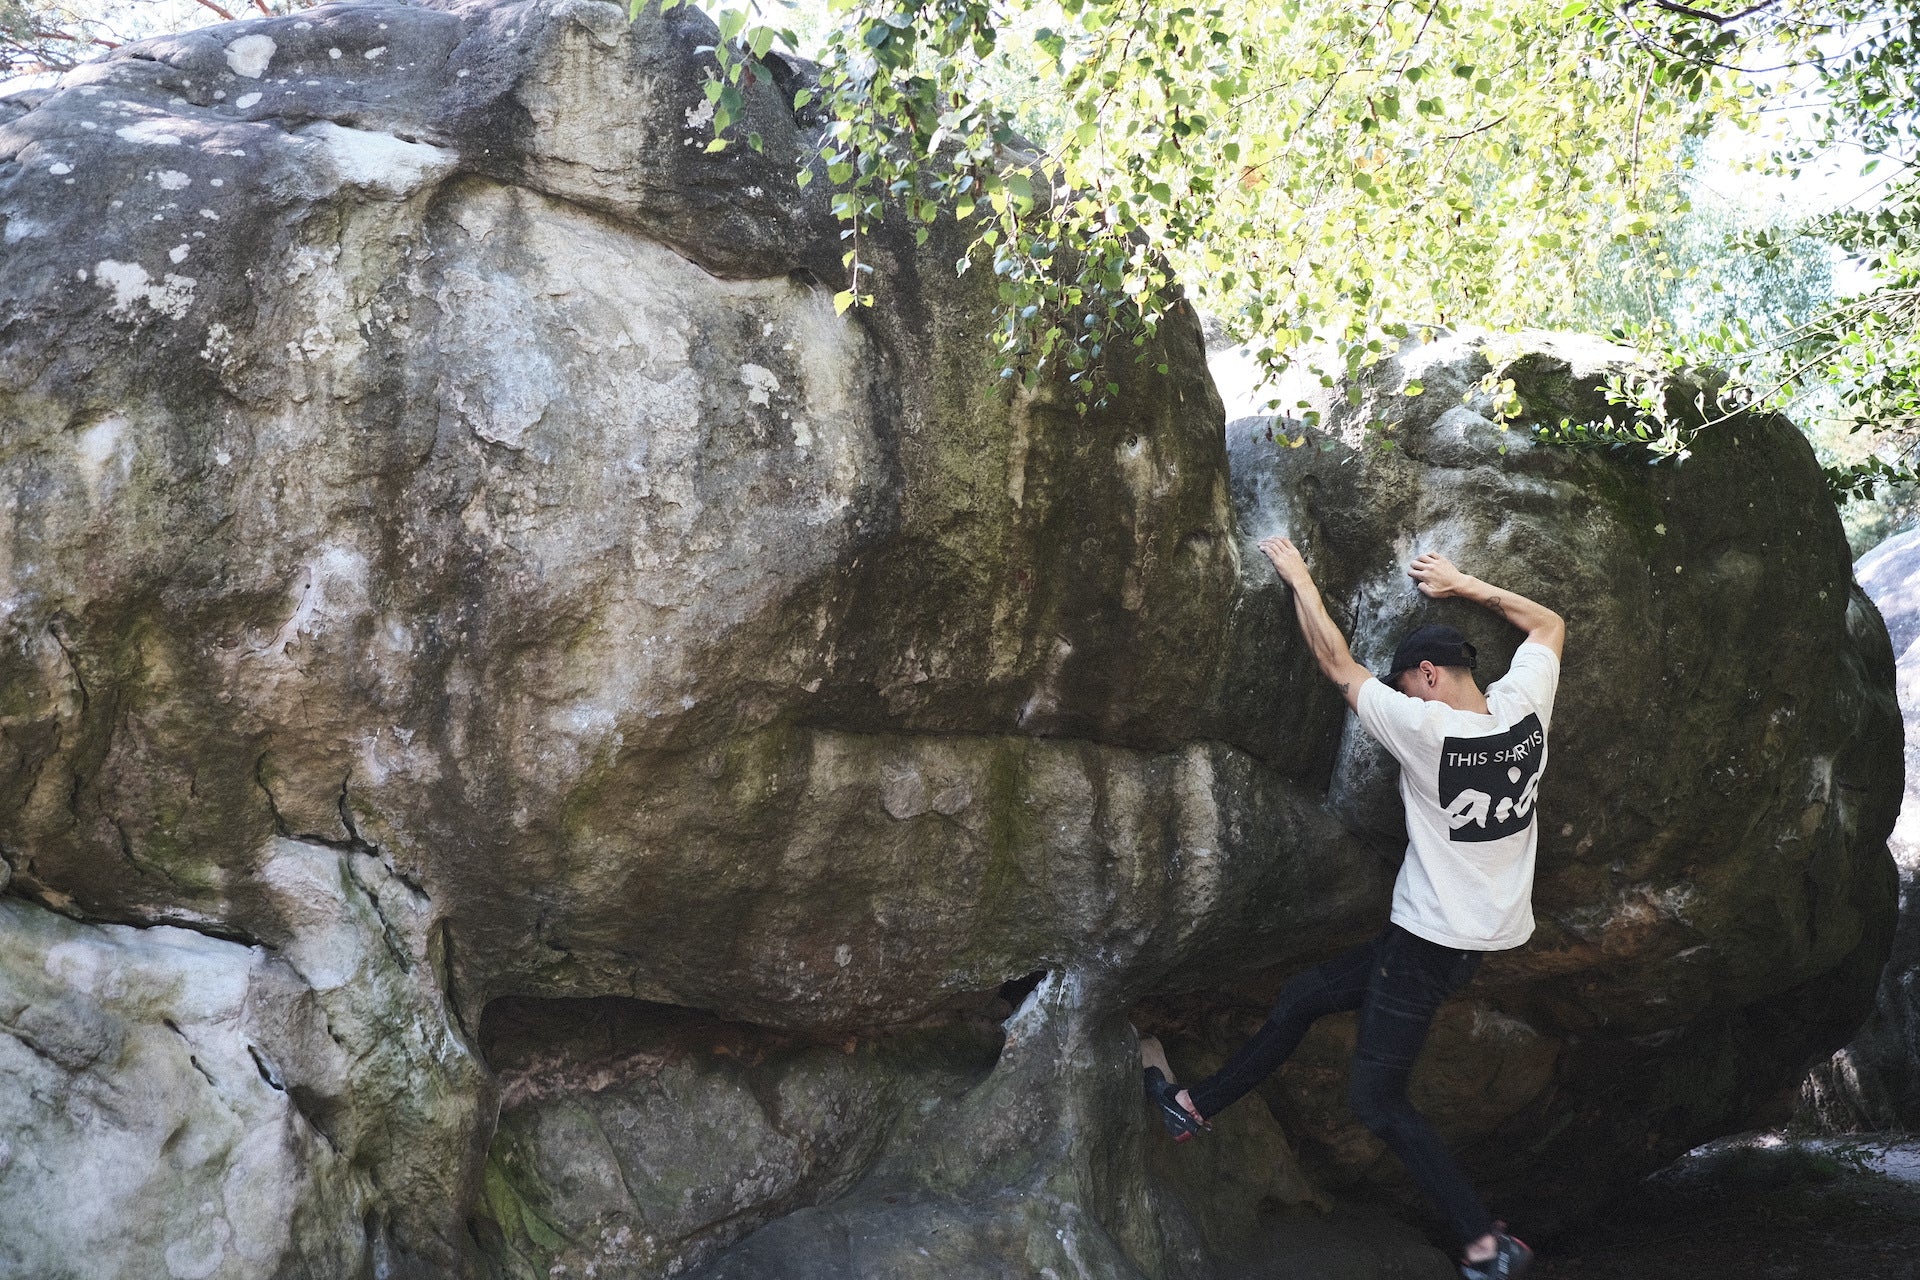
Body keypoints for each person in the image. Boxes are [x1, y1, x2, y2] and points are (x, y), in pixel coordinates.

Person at [1143, 537, 1563, 1280]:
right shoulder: (1523, 712)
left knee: (1377, 1100)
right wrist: (1465, 584)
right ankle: (1195, 1107)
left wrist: (1301, 576)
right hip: (1475, 940)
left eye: (1408, 681)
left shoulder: (1425, 730)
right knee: (1305, 995)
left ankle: (1482, 1242)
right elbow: (1549, 626)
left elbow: (1339, 666)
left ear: (1427, 675)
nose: (1403, 693)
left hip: (1425, 944)